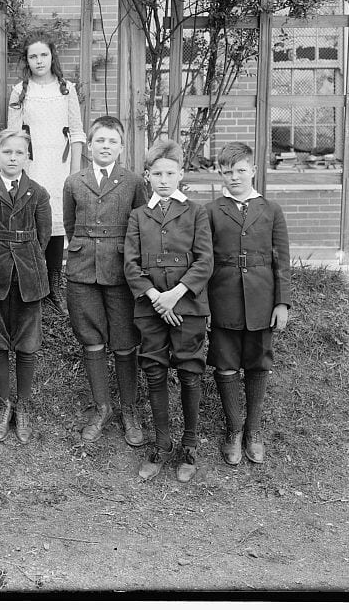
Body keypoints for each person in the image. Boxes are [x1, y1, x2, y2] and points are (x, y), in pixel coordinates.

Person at [124, 138, 214, 483]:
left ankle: (189, 446)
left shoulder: (195, 212)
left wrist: (174, 295)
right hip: (150, 308)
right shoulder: (138, 216)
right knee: (154, 369)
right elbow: (131, 264)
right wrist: (155, 297)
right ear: (147, 176)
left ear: (181, 174)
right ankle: (162, 444)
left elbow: (205, 260)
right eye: (157, 173)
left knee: (190, 370)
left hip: (187, 305)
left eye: (170, 172)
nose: (163, 179)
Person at [62, 116, 148, 446]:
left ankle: (129, 409)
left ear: (121, 148)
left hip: (121, 269)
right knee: (91, 336)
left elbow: (140, 223)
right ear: (89, 147)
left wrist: (128, 257)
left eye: (112, 142)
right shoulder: (74, 182)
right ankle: (102, 407)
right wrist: (86, 247)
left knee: (125, 339)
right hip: (83, 269)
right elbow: (71, 225)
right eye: (100, 141)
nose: (105, 147)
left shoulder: (133, 182)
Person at [205, 142, 291, 466]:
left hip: (261, 300)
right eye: (227, 172)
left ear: (253, 170)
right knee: (225, 362)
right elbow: (203, 260)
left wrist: (281, 303)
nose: (234, 177)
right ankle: (234, 429)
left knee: (258, 362)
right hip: (223, 298)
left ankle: (254, 430)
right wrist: (203, 304)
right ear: (220, 174)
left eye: (241, 170)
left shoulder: (270, 210)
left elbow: (281, 261)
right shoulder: (211, 211)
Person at [0, 129, 51, 444]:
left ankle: (24, 404)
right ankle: (5, 404)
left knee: (27, 340)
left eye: (19, 152)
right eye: (7, 152)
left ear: (27, 156)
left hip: (28, 275)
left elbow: (43, 236)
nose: (13, 158)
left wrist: (26, 258)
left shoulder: (38, 193)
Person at [7, 33, 85, 313]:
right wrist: (17, 171)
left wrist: (74, 174)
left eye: (43, 55)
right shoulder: (20, 91)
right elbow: (14, 137)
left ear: (52, 57)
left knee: (57, 224)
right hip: (33, 167)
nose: (39, 61)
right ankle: (31, 284)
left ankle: (55, 285)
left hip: (60, 167)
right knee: (32, 222)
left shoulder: (67, 90)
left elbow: (76, 132)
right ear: (27, 61)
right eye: (33, 56)